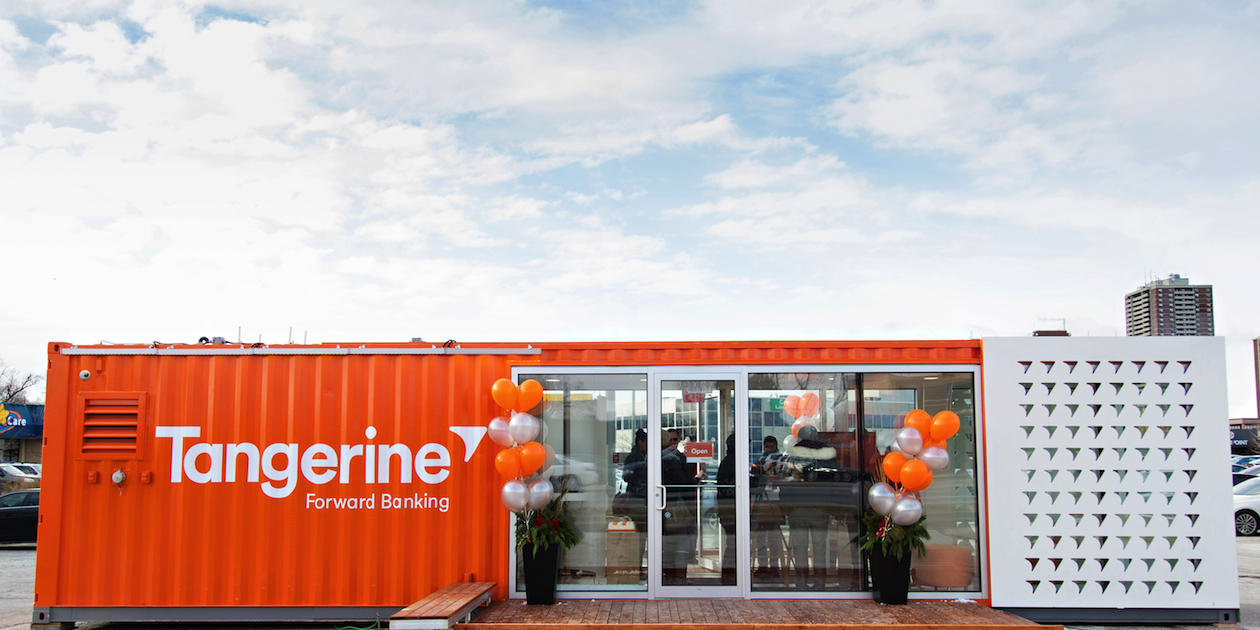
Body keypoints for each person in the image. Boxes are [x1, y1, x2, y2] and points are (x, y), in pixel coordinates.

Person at [779, 424, 838, 590]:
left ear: (799, 438)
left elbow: (784, 482)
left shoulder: (792, 454)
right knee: (820, 547)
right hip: (820, 507)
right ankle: (820, 583)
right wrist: (832, 508)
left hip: (797, 508)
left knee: (799, 548)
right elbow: (834, 481)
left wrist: (785, 509)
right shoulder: (826, 454)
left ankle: (801, 583)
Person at [753, 435, 785, 578]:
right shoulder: (760, 460)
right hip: (762, 500)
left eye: (772, 446)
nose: (769, 449)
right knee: (760, 536)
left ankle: (774, 566)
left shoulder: (781, 460)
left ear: (776, 446)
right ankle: (762, 565)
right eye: (767, 446)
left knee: (773, 536)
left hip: (775, 501)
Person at [621, 429, 649, 578]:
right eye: (647, 442)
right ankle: (636, 568)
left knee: (642, 536)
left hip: (642, 500)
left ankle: (638, 567)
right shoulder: (633, 458)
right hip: (637, 499)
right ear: (640, 442)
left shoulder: (643, 456)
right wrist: (641, 479)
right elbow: (627, 477)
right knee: (639, 537)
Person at [715, 434, 738, 584]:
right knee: (733, 543)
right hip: (731, 509)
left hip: (726, 508)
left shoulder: (727, 462)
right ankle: (730, 575)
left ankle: (730, 575)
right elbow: (729, 488)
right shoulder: (732, 463)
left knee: (733, 542)